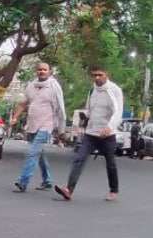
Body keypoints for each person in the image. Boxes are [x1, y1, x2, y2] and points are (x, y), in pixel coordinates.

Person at [54, 66, 123, 202]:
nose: (97, 78)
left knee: (110, 163)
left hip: (107, 135)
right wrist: (84, 116)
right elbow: (89, 109)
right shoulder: (92, 90)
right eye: (94, 75)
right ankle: (68, 189)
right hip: (91, 134)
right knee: (79, 159)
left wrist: (109, 127)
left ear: (106, 75)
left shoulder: (114, 90)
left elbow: (118, 111)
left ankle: (113, 190)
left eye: (100, 75)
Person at [9, 63, 66, 192]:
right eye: (39, 69)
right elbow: (23, 103)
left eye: (44, 69)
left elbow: (61, 108)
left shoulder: (54, 86)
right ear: (36, 71)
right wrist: (15, 117)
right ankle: (47, 181)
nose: (42, 71)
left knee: (32, 152)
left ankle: (23, 181)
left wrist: (61, 130)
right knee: (39, 154)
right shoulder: (31, 85)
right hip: (32, 124)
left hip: (47, 125)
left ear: (49, 71)